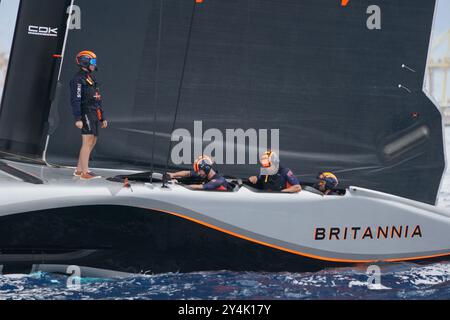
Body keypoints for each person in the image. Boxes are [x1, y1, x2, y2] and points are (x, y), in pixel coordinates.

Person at [70, 51, 108, 180]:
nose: (94, 64)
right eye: (92, 62)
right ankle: (85, 171)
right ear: (84, 61)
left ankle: (79, 170)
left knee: (93, 140)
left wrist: (102, 117)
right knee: (87, 140)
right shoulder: (78, 79)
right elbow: (76, 99)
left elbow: (98, 98)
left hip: (94, 113)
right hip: (86, 112)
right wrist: (78, 118)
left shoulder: (91, 78)